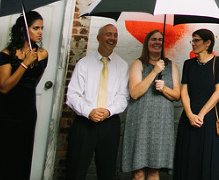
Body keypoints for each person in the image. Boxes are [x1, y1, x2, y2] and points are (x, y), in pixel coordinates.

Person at [0, 11, 49, 180]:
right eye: (35, 28)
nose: (40, 32)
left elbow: (34, 82)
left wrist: (31, 63)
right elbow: (5, 87)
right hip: (5, 112)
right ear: (23, 30)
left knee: (20, 156)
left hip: (27, 112)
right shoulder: (6, 55)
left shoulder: (42, 54)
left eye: (42, 28)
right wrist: (24, 64)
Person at [66, 23, 129, 180]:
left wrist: (108, 111)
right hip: (84, 123)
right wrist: (89, 112)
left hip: (109, 123)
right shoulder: (84, 64)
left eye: (115, 35)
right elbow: (73, 95)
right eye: (108, 34)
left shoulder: (122, 65)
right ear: (98, 37)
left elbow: (123, 96)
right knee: (76, 170)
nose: (112, 38)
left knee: (107, 172)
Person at [121, 30, 181, 179]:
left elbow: (177, 95)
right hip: (140, 121)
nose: (157, 42)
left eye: (160, 39)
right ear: (146, 43)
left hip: (161, 122)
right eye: (153, 39)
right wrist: (154, 72)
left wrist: (164, 88)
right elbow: (135, 93)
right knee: (138, 172)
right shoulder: (138, 63)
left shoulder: (171, 65)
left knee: (154, 170)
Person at [174, 28, 219, 180]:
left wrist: (201, 115)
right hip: (188, 117)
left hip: (208, 118)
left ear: (207, 43)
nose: (193, 44)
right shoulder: (188, 64)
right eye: (192, 40)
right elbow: (184, 91)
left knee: (207, 157)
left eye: (196, 40)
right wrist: (190, 115)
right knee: (188, 156)